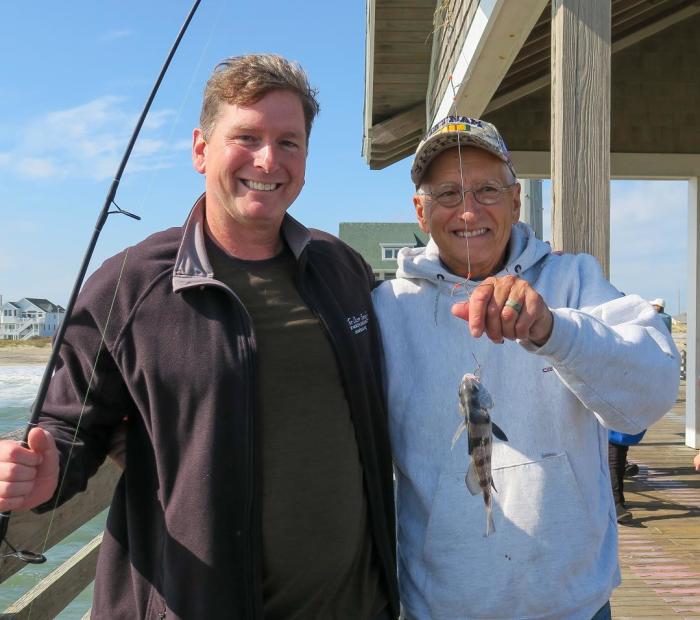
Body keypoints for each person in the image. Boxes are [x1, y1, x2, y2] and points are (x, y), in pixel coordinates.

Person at [0, 54, 399, 620]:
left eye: (289, 142)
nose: (268, 159)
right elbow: (69, 427)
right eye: (247, 137)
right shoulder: (129, 283)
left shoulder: (343, 269)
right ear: (199, 148)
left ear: (307, 157)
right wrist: (40, 475)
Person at [372, 115, 680, 620]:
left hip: (574, 606)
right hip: (439, 607)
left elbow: (651, 395)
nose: (468, 211)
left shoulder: (575, 280)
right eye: (448, 193)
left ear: (516, 201)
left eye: (487, 190)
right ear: (421, 211)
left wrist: (554, 332)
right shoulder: (386, 309)